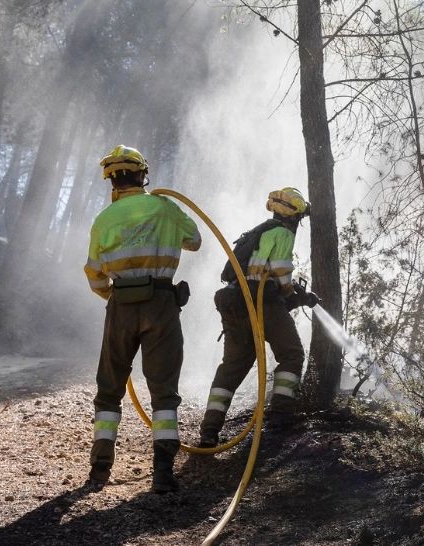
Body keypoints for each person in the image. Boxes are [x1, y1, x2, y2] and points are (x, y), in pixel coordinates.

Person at [84, 145, 201, 493]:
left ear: (112, 181)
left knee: (109, 389)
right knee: (163, 391)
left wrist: (116, 296)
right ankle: (163, 472)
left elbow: (94, 274)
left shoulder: (104, 219)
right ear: (142, 175)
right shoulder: (165, 207)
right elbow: (194, 240)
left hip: (120, 304)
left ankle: (99, 468)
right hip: (162, 303)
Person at [198, 187, 319, 448]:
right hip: (261, 302)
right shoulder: (283, 233)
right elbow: (281, 278)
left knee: (232, 368)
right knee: (292, 354)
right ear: (293, 216)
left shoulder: (258, 231)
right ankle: (279, 419)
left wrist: (295, 297)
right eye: (299, 217)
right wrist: (297, 295)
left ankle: (209, 430)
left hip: (234, 301)